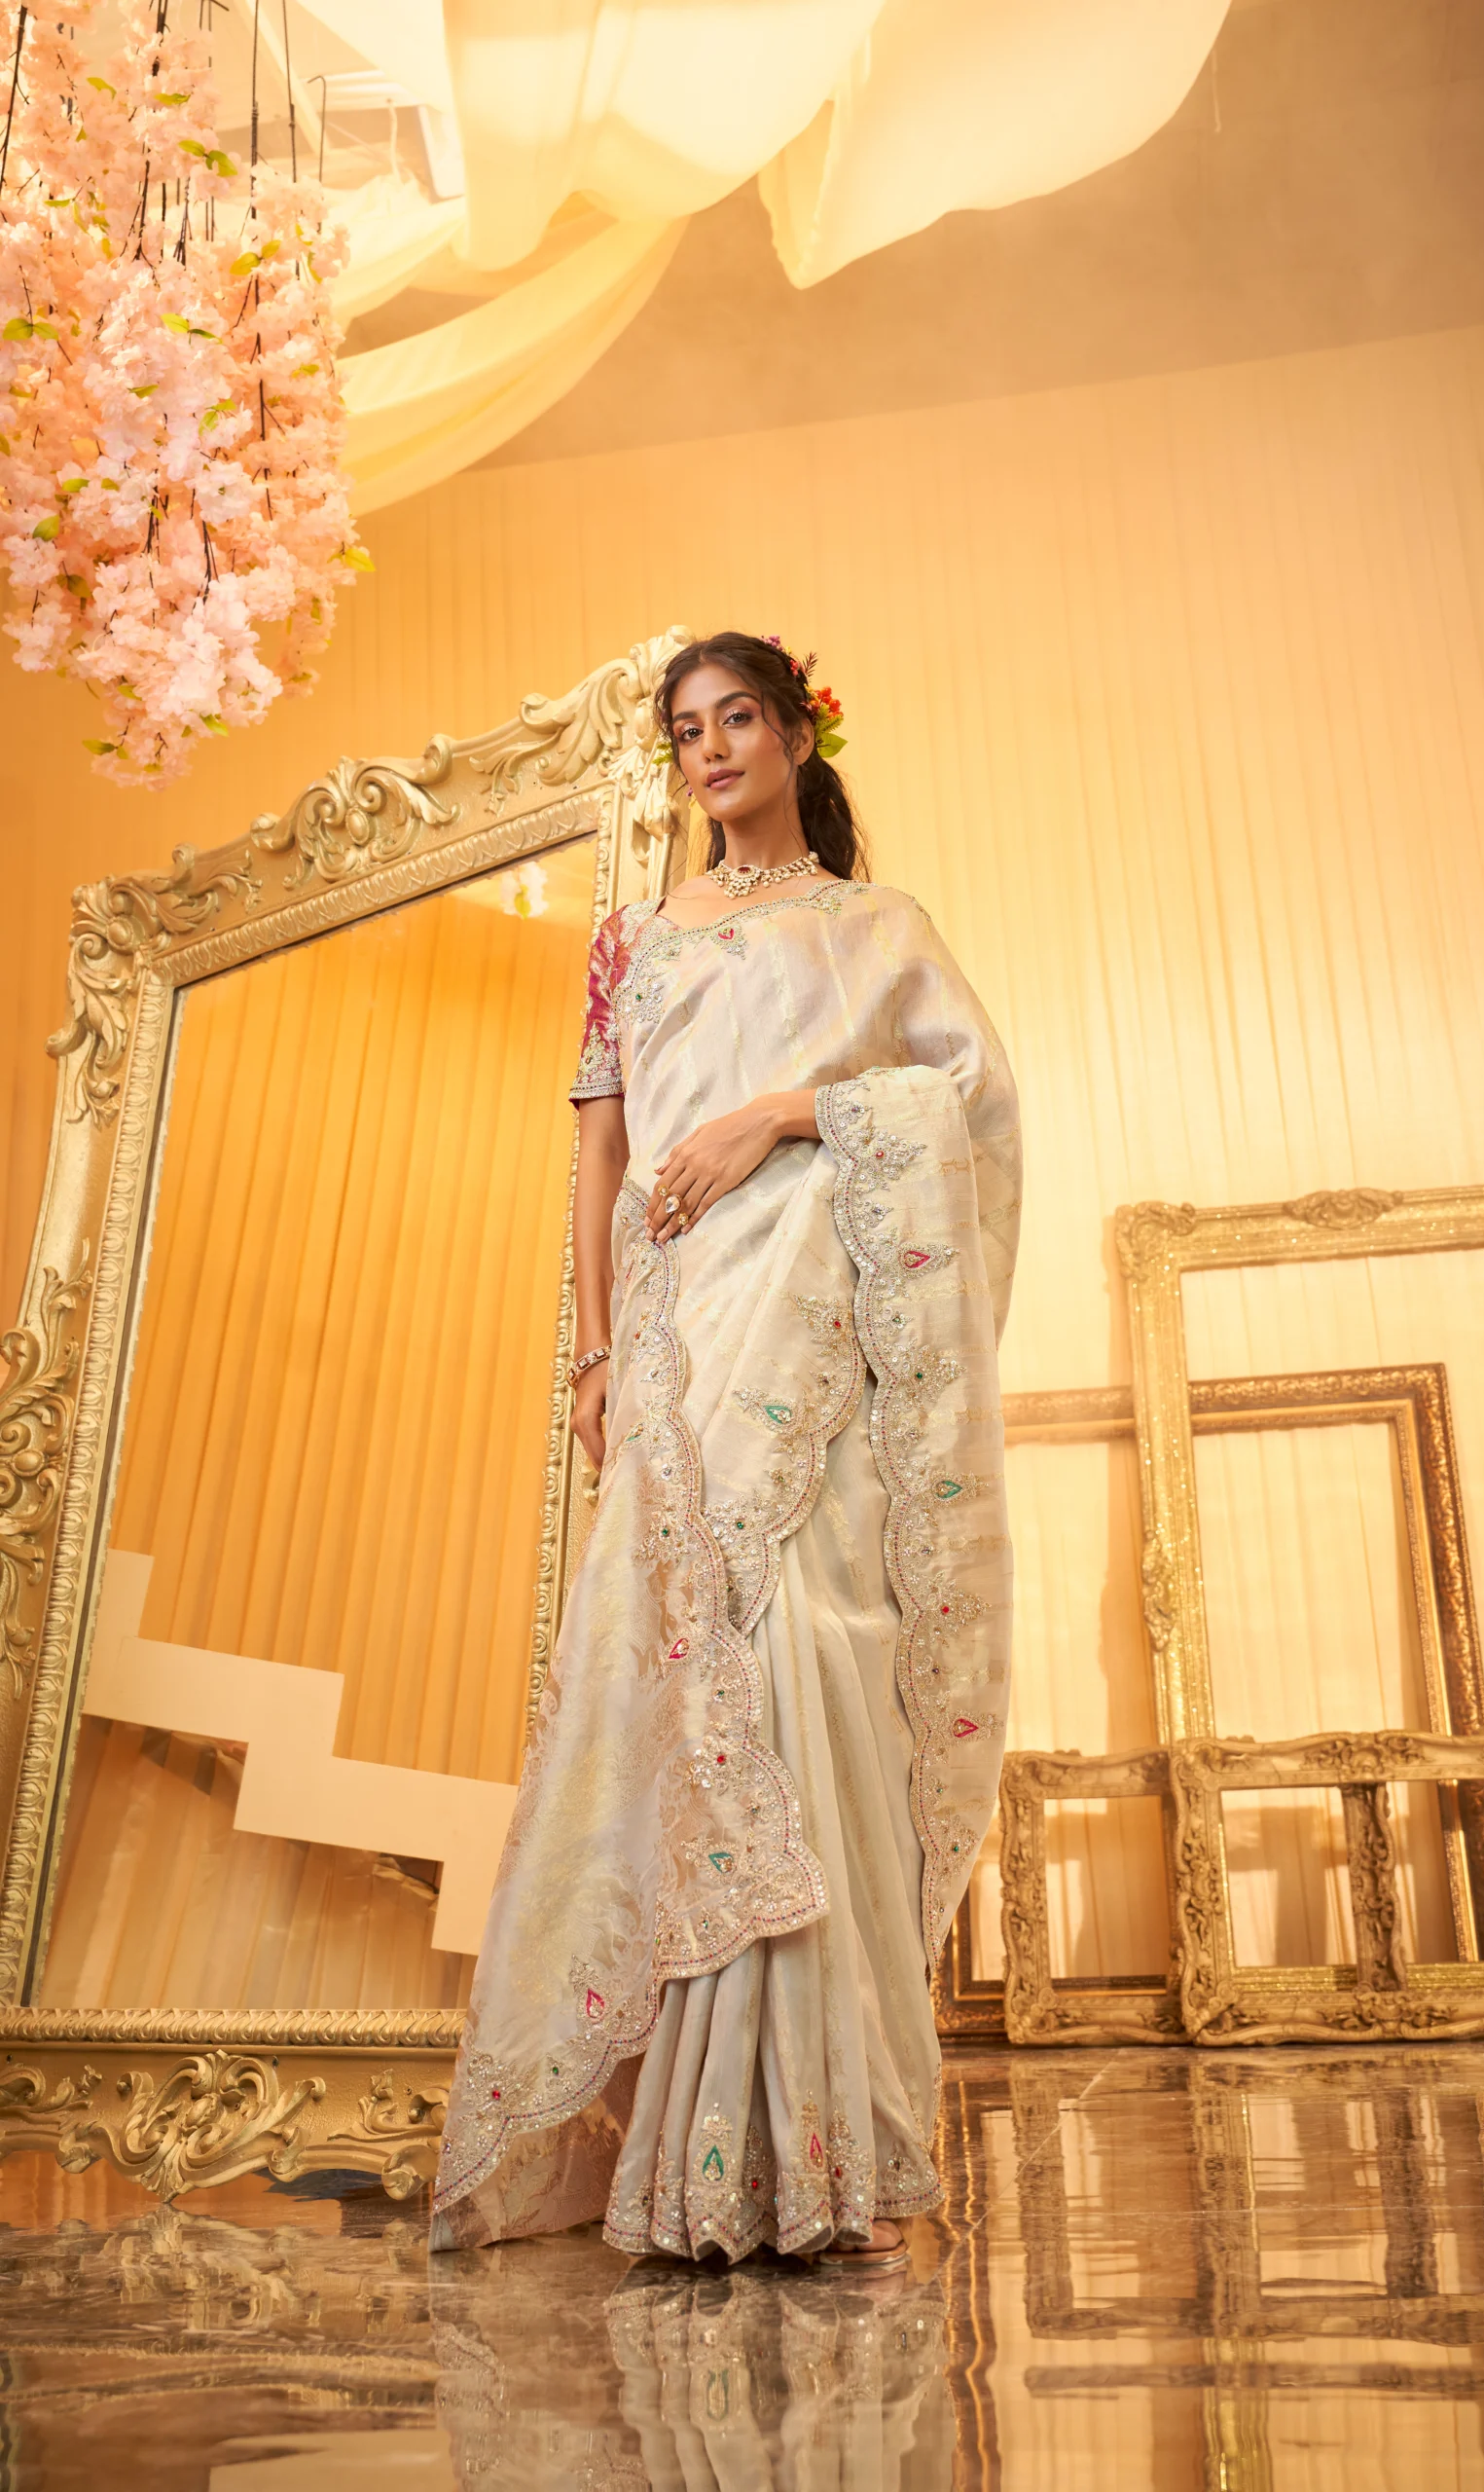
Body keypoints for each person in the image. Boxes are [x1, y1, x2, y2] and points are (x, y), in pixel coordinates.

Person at [430, 631, 1021, 2271]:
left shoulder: (877, 927)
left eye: (736, 717)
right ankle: (672, 2135)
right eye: (685, 729)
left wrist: (782, 1114)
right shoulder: (633, 939)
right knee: (666, 1676)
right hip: (682, 1334)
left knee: (804, 1663)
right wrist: (594, 1348)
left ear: (796, 734)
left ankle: (810, 2144)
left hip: (814, 1340)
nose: (709, 749)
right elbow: (599, 1149)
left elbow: (966, 1113)